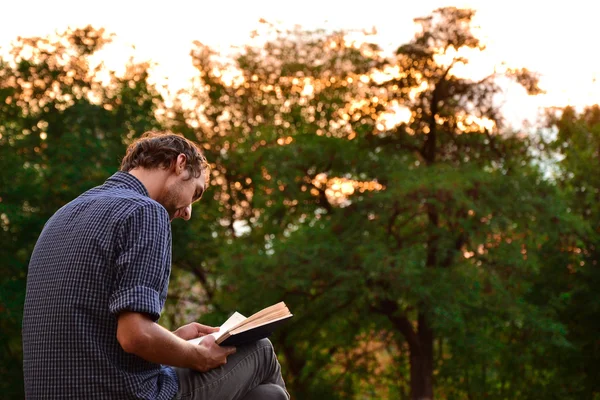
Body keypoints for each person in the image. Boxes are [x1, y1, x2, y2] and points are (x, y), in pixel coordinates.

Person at [22, 131, 289, 400]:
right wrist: (199, 355)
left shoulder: (62, 216)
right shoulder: (145, 212)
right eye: (195, 194)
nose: (187, 213)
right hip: (122, 393)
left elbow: (96, 338)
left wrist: (171, 340)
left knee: (268, 396)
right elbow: (135, 336)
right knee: (260, 350)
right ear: (180, 163)